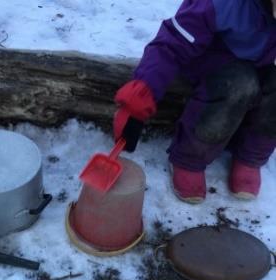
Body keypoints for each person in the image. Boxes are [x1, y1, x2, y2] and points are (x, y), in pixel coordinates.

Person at [114, 0, 276, 204]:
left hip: (256, 66)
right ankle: (189, 159)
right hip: (208, 64)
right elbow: (170, 45)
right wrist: (139, 96)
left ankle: (250, 156)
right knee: (239, 83)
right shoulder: (222, 5)